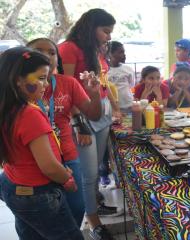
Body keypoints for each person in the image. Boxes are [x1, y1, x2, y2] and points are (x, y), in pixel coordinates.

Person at [0, 47, 84, 239]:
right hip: (38, 193)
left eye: (47, 78)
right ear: (18, 80)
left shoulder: (7, 107)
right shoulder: (29, 114)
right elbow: (48, 166)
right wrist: (66, 178)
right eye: (40, 78)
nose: (46, 84)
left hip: (12, 182)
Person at [27, 37, 103, 227]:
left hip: (67, 157)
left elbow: (93, 115)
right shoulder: (18, 86)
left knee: (76, 208)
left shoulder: (68, 83)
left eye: (52, 53)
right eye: (39, 51)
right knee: (36, 217)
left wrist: (94, 94)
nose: (46, 56)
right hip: (31, 162)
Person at [58, 8, 118, 239]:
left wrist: (113, 108)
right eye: (105, 31)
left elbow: (102, 83)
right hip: (82, 115)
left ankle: (93, 205)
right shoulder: (68, 49)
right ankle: (94, 223)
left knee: (96, 167)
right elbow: (66, 88)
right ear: (90, 27)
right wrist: (77, 122)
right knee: (89, 173)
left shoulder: (95, 48)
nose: (109, 37)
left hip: (101, 110)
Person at [108, 41, 135, 112]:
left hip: (128, 104)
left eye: (124, 52)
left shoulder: (128, 69)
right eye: (120, 52)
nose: (124, 55)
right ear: (110, 54)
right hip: (112, 107)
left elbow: (131, 85)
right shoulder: (105, 71)